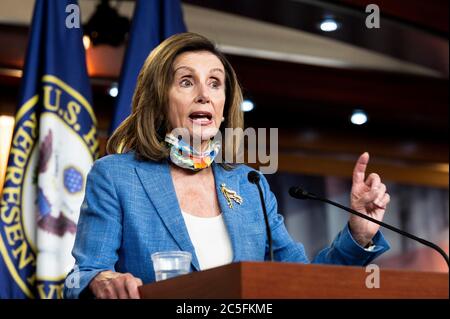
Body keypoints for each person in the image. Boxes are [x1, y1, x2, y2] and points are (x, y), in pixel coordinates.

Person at [63, 32, 390, 299]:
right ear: (160, 101)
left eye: (215, 83)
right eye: (187, 82)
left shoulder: (250, 184)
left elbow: (302, 282)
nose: (204, 94)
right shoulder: (117, 176)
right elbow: (81, 276)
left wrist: (358, 235)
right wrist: (101, 281)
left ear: (223, 108)